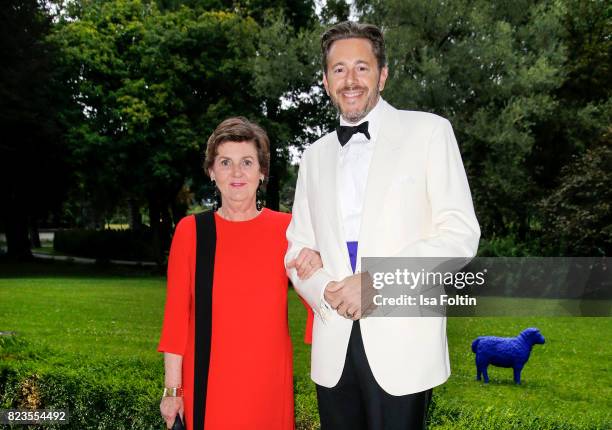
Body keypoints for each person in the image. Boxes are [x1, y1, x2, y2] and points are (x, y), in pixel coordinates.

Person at [285, 21, 481, 429]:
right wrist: (327, 290)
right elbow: (296, 250)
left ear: (383, 74)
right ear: (325, 81)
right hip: (333, 339)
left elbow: (460, 234)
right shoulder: (314, 155)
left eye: (362, 67)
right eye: (339, 69)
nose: (350, 79)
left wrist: (375, 282)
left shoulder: (430, 132)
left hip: (403, 340)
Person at [158, 117, 322, 430]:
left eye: (247, 162)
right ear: (211, 171)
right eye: (225, 162)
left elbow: (320, 300)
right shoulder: (192, 232)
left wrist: (318, 260)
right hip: (207, 384)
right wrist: (173, 391)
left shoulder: (288, 229)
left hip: (268, 385)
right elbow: (176, 319)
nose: (236, 173)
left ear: (262, 172)